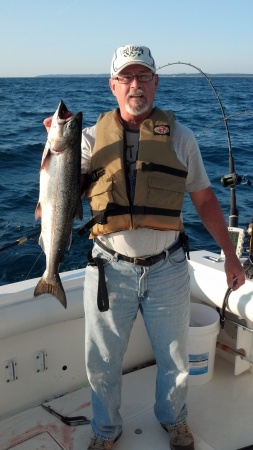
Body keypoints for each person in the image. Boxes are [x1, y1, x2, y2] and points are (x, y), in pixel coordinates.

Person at [45, 44, 245, 450]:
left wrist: (229, 255)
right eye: (126, 78)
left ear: (156, 83)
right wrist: (50, 149)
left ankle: (175, 419)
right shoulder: (83, 140)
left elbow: (205, 200)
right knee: (101, 362)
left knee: (175, 359)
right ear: (113, 86)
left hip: (168, 267)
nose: (135, 85)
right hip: (108, 267)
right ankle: (105, 430)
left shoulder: (182, 138)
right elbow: (64, 193)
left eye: (143, 77)